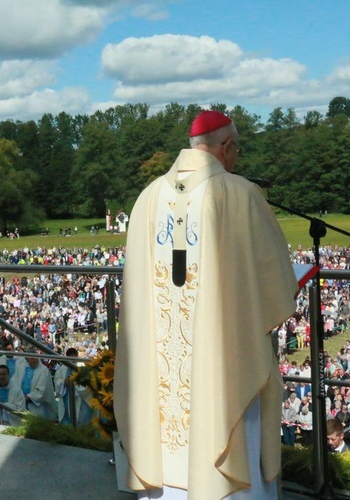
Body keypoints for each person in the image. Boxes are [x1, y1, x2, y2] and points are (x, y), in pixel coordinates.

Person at [114, 110, 299, 498]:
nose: (237, 158)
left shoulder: (148, 198)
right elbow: (277, 284)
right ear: (226, 147)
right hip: (226, 365)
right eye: (237, 149)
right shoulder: (241, 194)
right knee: (229, 419)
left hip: (163, 367)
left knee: (164, 428)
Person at [54, 347, 93, 427]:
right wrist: (63, 382)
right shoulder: (62, 369)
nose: (72, 360)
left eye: (74, 357)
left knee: (78, 417)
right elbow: (57, 380)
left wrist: (74, 384)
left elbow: (86, 385)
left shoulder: (81, 368)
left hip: (78, 398)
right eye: (70, 357)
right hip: (65, 397)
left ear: (77, 356)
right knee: (66, 418)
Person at [20, 351, 57, 420]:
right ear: (27, 360)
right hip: (22, 404)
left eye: (35, 357)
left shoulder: (43, 370)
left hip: (37, 407)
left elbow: (42, 390)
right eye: (31, 358)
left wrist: (27, 397)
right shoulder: (22, 368)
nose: (34, 360)